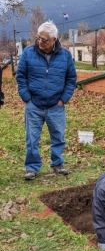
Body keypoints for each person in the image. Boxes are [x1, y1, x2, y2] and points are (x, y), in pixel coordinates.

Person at [16, 20, 77, 180]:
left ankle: (57, 164)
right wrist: (26, 98)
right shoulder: (28, 53)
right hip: (33, 105)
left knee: (58, 137)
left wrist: (63, 99)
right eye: (39, 38)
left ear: (54, 40)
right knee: (32, 138)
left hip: (56, 105)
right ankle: (32, 168)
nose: (40, 42)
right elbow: (20, 76)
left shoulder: (65, 56)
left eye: (44, 40)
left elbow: (71, 78)